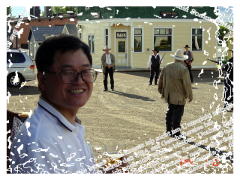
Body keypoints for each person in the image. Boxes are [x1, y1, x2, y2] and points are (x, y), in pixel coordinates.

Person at [9, 35, 97, 173]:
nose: (79, 80)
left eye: (85, 71)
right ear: (42, 80)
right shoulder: (40, 143)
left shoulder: (67, 126)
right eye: (68, 72)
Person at [158, 49, 193, 137]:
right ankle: (176, 132)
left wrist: (161, 90)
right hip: (179, 95)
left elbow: (160, 80)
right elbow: (187, 84)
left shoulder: (167, 66)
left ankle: (168, 130)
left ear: (175, 58)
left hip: (169, 94)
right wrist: (190, 95)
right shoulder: (184, 69)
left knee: (170, 110)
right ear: (182, 59)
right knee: (178, 113)